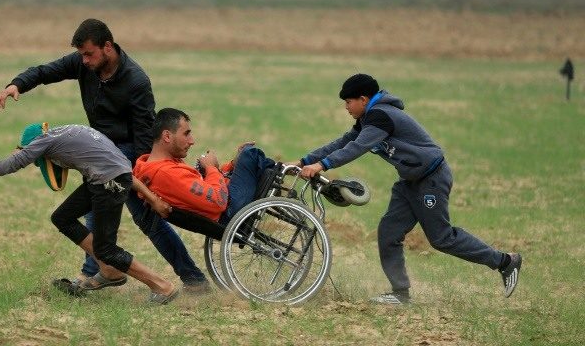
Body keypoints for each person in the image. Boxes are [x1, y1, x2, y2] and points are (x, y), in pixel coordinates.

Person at [0, 18, 209, 291]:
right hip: (100, 151)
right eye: (81, 55)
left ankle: (193, 281)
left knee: (148, 220)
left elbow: (144, 134)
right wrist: (17, 84)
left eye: (88, 54)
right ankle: (99, 272)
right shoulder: (84, 64)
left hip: (128, 154)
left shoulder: (136, 80)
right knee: (95, 210)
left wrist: (141, 178)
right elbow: (45, 71)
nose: (83, 60)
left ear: (107, 47)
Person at [296, 74, 522, 304]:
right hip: (409, 181)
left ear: (363, 99)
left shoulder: (381, 116)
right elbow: (343, 142)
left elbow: (357, 147)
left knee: (441, 238)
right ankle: (400, 293)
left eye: (348, 102)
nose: (346, 107)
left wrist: (322, 165)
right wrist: (304, 161)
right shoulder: (367, 119)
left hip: (431, 179)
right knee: (388, 232)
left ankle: (505, 262)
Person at [0, 122, 179, 304]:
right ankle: (109, 270)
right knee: (62, 217)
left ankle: (162, 286)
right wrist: (153, 199)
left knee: (106, 249)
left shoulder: (43, 141)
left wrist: (19, 152)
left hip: (108, 182)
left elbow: (1, 169)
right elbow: (123, 171)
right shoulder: (67, 132)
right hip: (105, 178)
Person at [133, 108, 275, 224]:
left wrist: (231, 166)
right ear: (167, 136)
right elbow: (218, 201)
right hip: (230, 212)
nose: (192, 141)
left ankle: (280, 172)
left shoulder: (157, 167)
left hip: (225, 205)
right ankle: (282, 174)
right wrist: (211, 168)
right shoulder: (167, 173)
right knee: (250, 153)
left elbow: (201, 186)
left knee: (244, 159)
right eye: (186, 134)